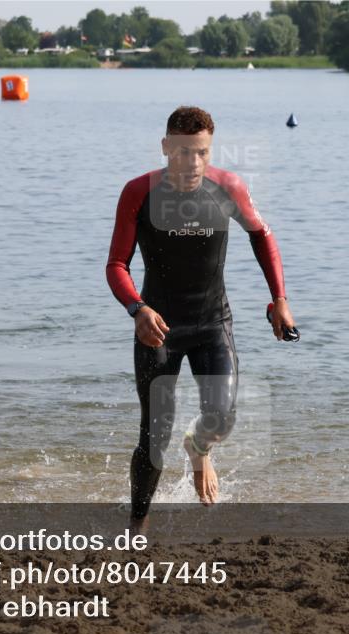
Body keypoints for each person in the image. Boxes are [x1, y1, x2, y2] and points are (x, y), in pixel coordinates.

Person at [106, 106, 295, 532]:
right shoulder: (138, 193)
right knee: (154, 435)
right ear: (165, 147)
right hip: (158, 328)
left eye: (202, 153)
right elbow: (116, 263)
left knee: (222, 417)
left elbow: (262, 234)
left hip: (212, 323)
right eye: (183, 152)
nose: (192, 163)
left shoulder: (228, 188)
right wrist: (138, 309)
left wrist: (279, 299)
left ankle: (199, 449)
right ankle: (137, 527)